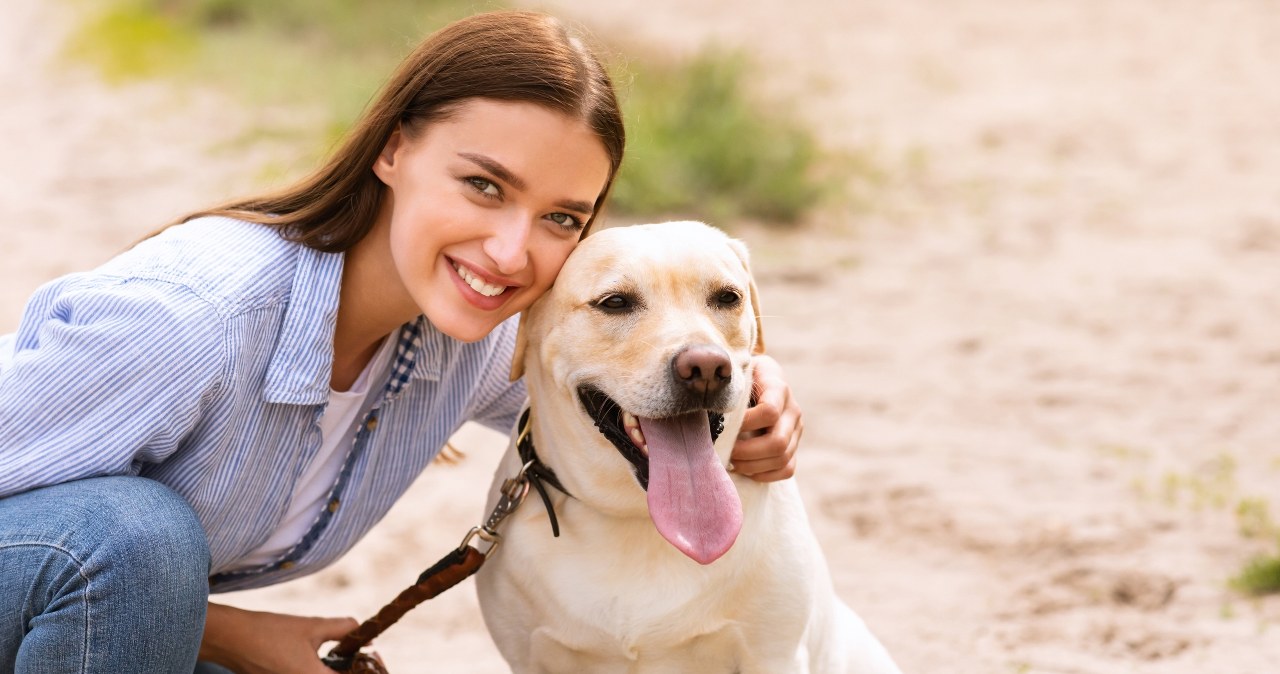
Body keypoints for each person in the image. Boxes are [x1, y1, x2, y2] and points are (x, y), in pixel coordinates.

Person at [0, 10, 803, 674]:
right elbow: (106, 563)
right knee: (137, 535)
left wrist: (746, 391)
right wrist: (230, 633)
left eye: (561, 218)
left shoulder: (477, 335)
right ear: (393, 148)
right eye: (483, 186)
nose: (509, 251)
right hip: (75, 584)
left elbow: (623, 376)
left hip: (87, 626)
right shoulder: (190, 322)